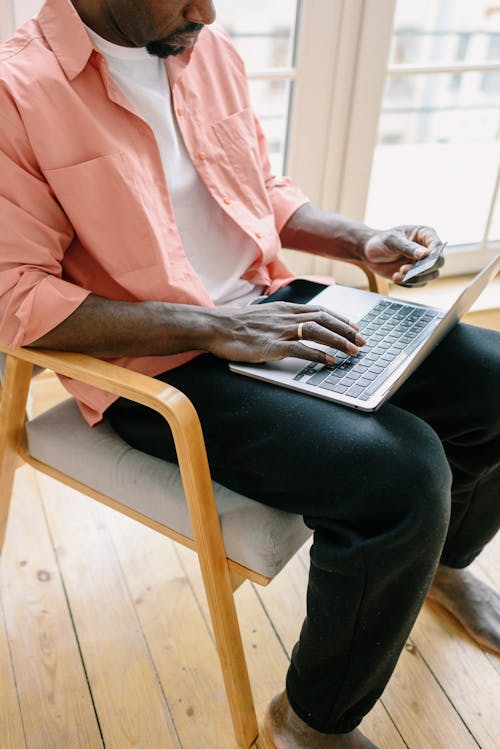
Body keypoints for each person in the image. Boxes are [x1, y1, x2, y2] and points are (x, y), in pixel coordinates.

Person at [0, 1, 499, 747]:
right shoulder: (18, 91)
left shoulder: (205, 49)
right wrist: (220, 328)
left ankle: (444, 562)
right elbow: (17, 295)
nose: (209, 10)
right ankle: (311, 725)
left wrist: (362, 238)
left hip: (273, 307)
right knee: (399, 474)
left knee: (492, 383)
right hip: (169, 357)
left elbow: (257, 190)